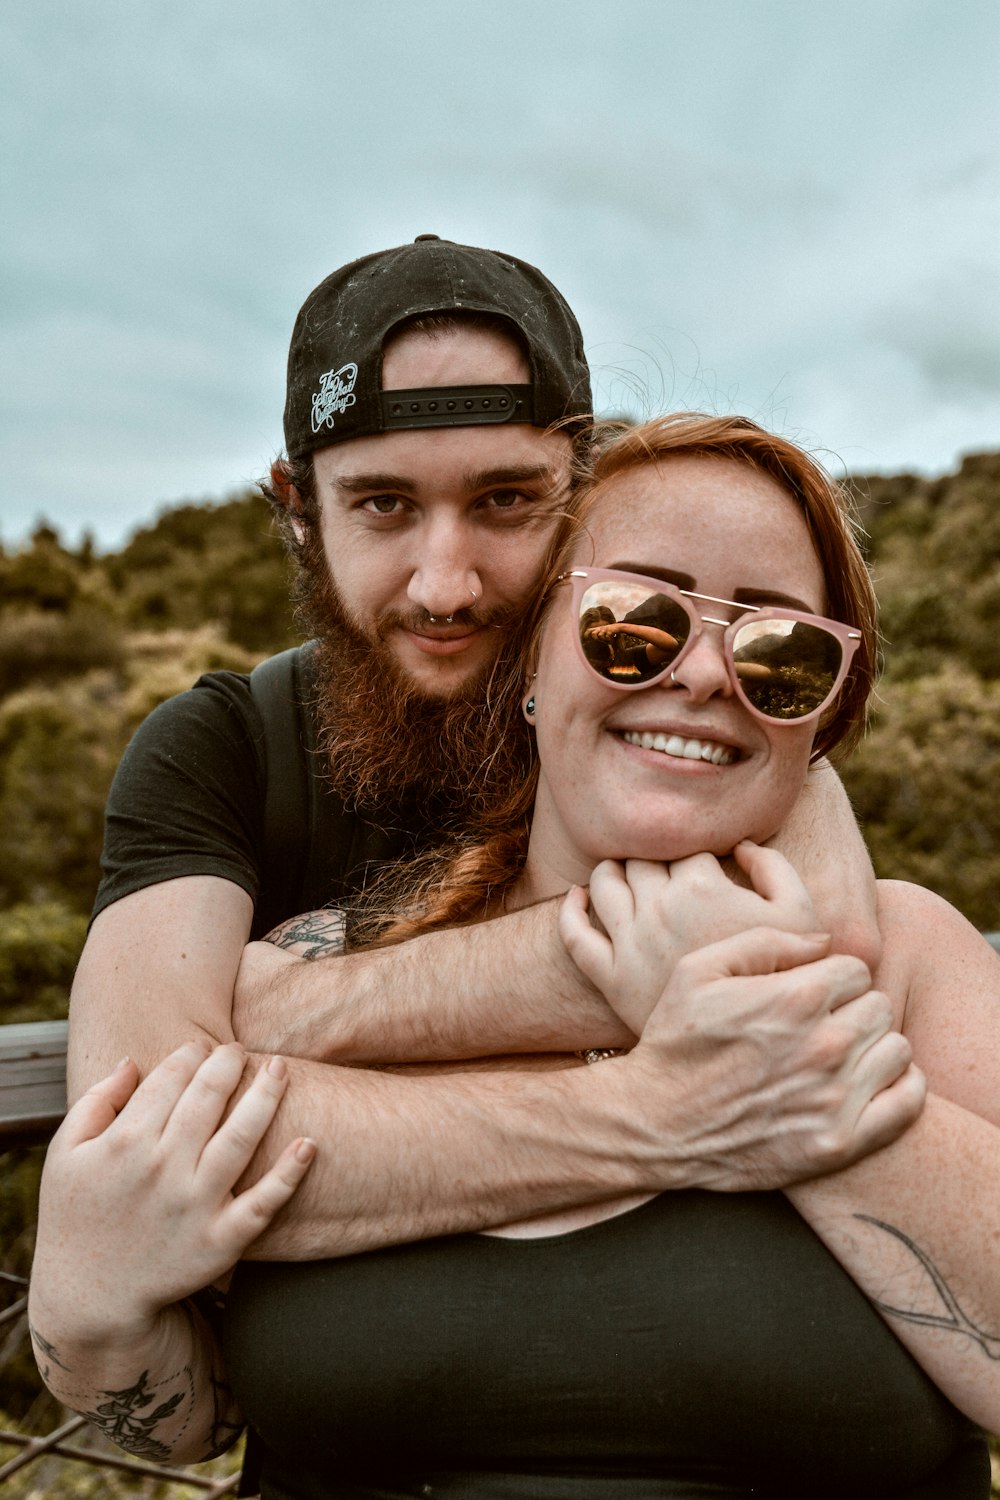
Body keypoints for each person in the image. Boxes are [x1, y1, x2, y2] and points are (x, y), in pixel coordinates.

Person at [31, 416, 999, 1495]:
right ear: (530, 664)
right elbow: (192, 1423)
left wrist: (785, 1062)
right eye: (632, 622)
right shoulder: (338, 978)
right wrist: (93, 1324)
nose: (703, 675)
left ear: (819, 717)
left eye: (781, 654)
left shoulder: (902, 957)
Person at [63, 237, 913, 1267]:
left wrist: (282, 1008)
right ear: (297, 510)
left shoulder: (686, 719)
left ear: (581, 495)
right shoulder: (224, 750)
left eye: (506, 500)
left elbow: (795, 950)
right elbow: (144, 1150)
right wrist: (650, 1109)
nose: (445, 585)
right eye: (382, 504)